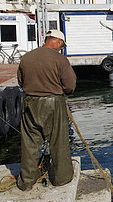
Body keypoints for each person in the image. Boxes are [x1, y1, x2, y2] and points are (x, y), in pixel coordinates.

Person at [16, 29, 76, 191]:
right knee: (58, 141)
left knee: (30, 142)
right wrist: (62, 92)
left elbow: (20, 81)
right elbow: (70, 85)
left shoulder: (26, 57)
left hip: (30, 102)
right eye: (61, 45)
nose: (61, 48)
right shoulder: (60, 59)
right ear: (57, 41)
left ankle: (26, 181)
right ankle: (61, 178)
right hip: (52, 103)